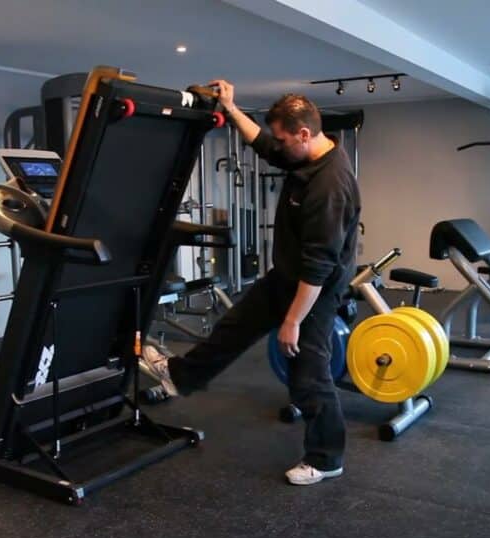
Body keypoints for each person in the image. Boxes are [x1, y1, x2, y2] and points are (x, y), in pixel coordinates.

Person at [143, 79, 361, 486]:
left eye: (285, 138)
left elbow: (318, 265)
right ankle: (181, 375)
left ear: (304, 133)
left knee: (308, 375)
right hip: (288, 276)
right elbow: (266, 145)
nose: (279, 146)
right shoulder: (306, 154)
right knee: (235, 325)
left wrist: (293, 320)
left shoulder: (329, 186)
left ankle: (327, 457)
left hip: (313, 291)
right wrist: (231, 107)